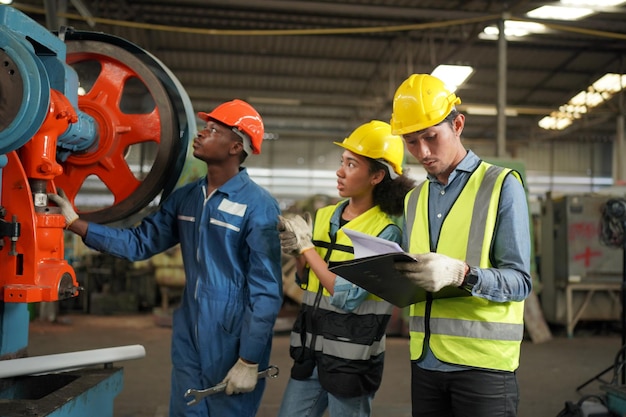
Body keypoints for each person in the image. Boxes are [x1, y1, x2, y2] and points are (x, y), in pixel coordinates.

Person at [49, 99, 283, 417]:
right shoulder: (186, 199)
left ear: (235, 147)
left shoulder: (258, 205)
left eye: (213, 130)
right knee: (185, 410)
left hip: (234, 332)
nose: (201, 134)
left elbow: (266, 290)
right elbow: (139, 242)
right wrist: (76, 223)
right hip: (189, 325)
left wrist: (250, 359)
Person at [389, 73, 532, 417]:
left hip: (482, 368)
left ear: (458, 124)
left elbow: (520, 282)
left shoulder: (500, 185)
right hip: (425, 361)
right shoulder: (415, 199)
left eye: (430, 137)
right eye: (411, 141)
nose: (422, 152)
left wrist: (461, 274)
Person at [275, 120, 416, 417]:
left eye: (352, 164)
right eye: (342, 162)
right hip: (310, 353)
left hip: (352, 360)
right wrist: (295, 252)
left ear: (377, 175)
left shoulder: (385, 230)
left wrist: (306, 248)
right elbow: (305, 281)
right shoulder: (325, 215)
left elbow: (345, 296)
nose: (340, 171)